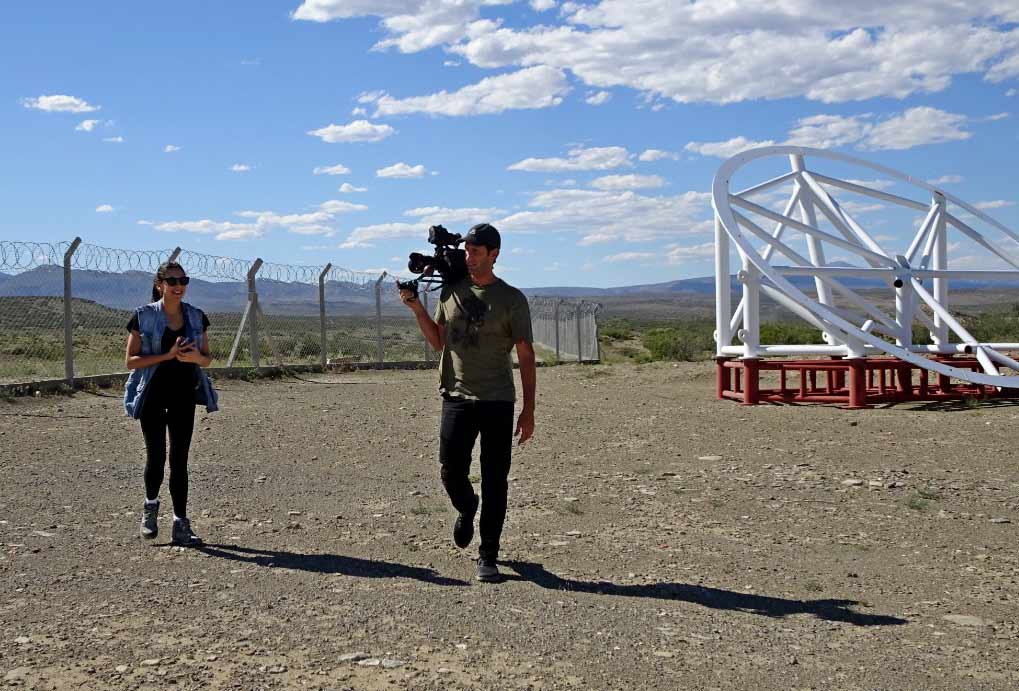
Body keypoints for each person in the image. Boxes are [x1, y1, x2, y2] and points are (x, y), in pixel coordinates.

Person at [400, 223, 536, 583]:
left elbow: (525, 354)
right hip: (456, 397)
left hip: (497, 400)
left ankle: (488, 554)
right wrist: (417, 311)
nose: (469, 258)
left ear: (494, 254)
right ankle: (466, 506)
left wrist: (529, 410)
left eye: (476, 252)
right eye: (467, 251)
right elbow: (440, 342)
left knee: (496, 480)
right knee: (450, 471)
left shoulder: (511, 299)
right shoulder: (452, 292)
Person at [124, 261, 217, 545]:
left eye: (183, 280)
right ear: (159, 284)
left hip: (183, 395)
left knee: (180, 459)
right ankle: (150, 507)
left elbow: (206, 358)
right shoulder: (143, 317)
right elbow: (131, 361)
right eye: (172, 280)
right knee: (156, 456)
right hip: (152, 394)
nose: (178, 286)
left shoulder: (197, 317)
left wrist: (193, 359)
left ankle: (180, 523)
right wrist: (167, 356)